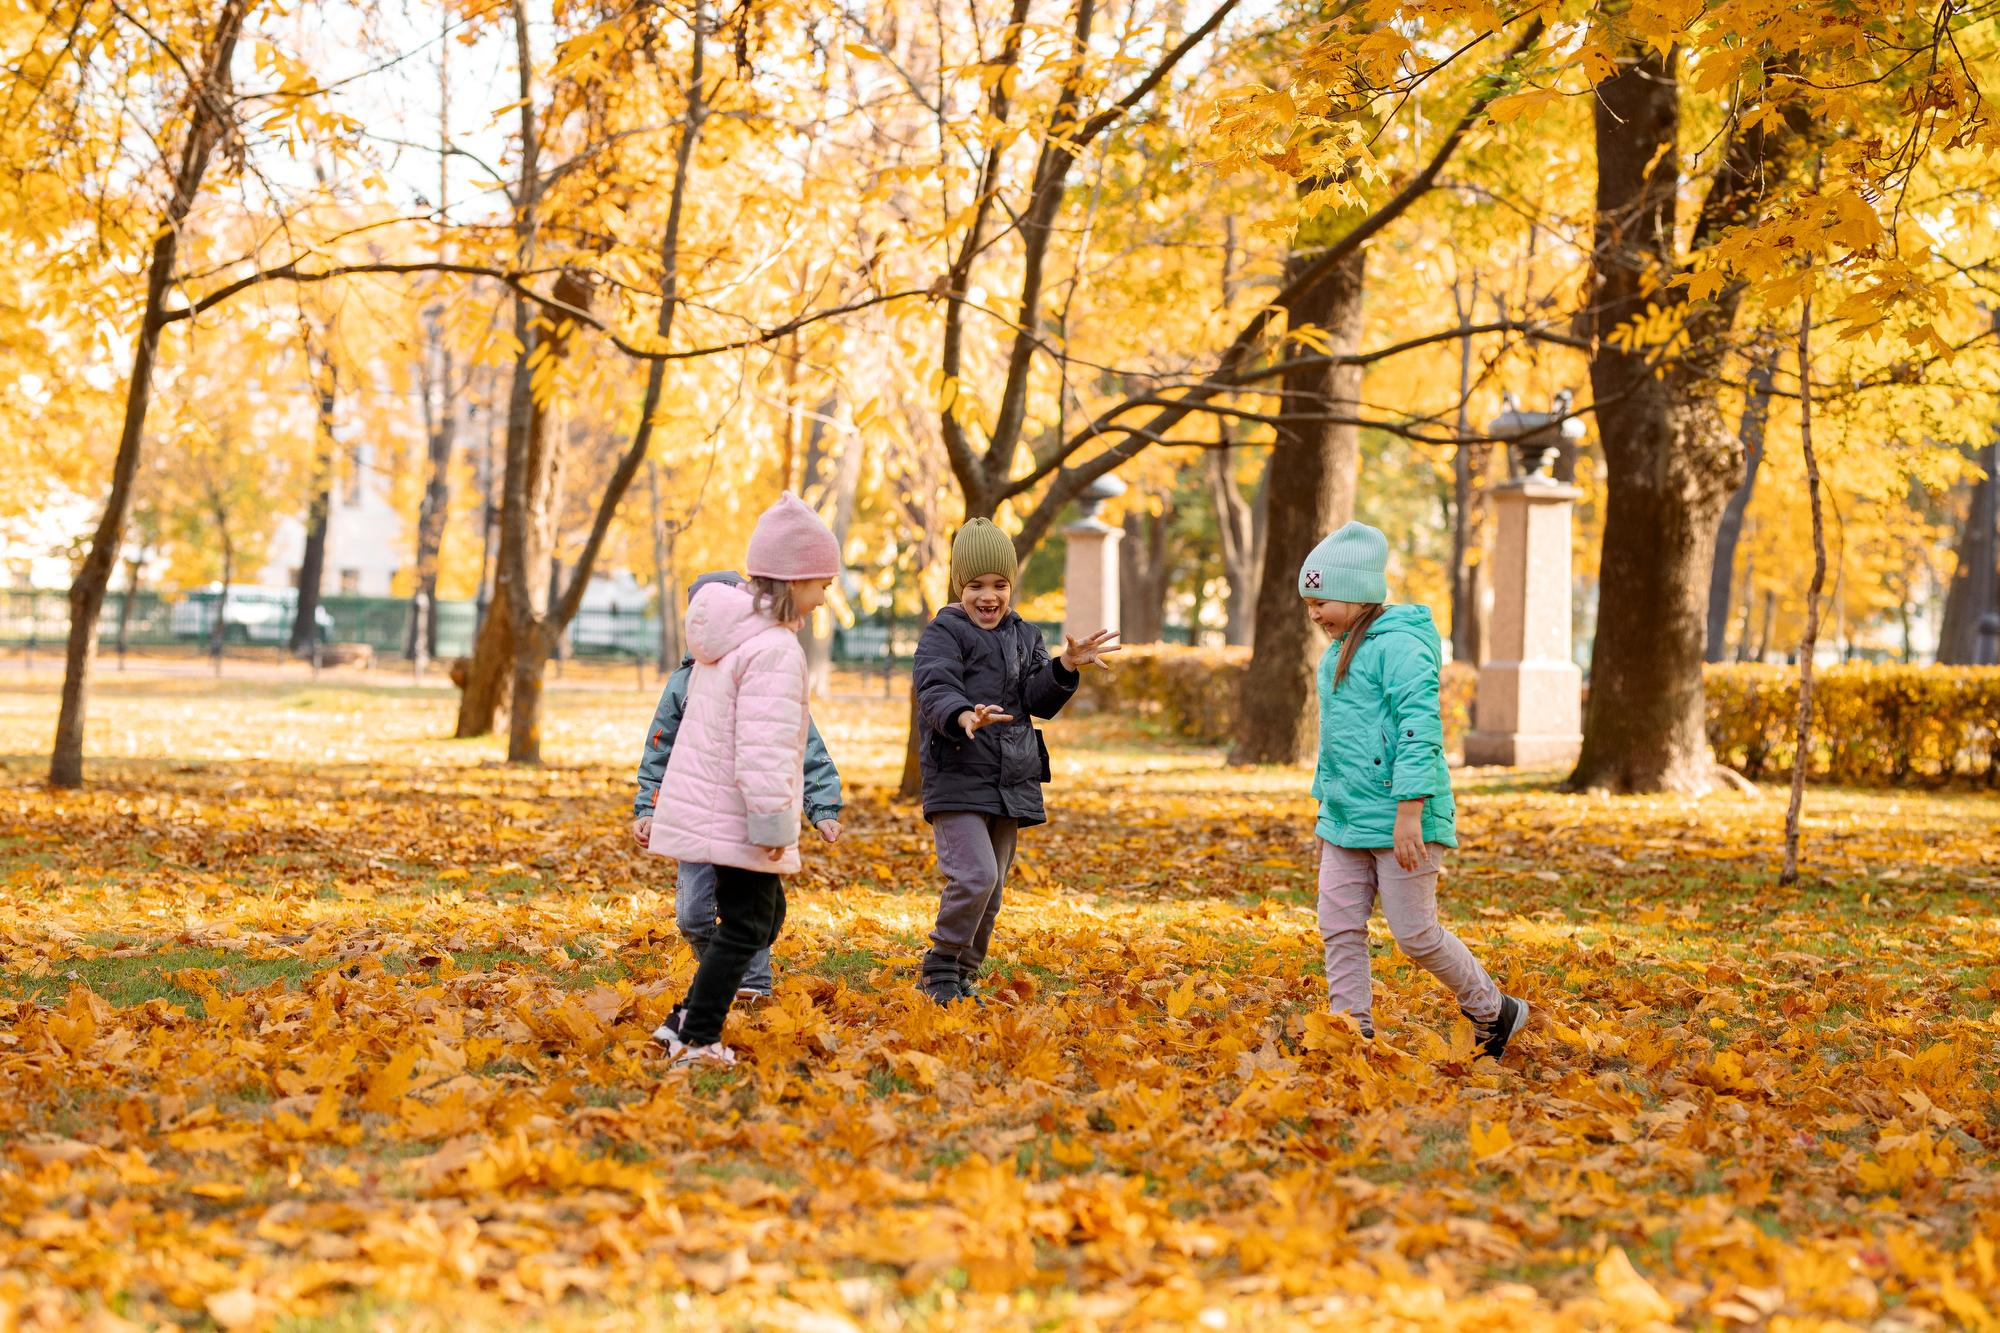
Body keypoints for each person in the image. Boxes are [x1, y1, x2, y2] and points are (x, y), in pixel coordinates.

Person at [1301, 520, 1528, 1058]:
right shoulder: (1335, 652)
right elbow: (1337, 744)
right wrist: (1327, 816)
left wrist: (1410, 813)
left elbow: (1418, 727)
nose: (1314, 613)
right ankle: (1350, 1030)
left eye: (1322, 600)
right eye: (1307, 602)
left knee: (1415, 935)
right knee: (1337, 925)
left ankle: (1495, 1010)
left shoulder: (1402, 646)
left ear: (1357, 594)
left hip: (1406, 817)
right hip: (1347, 818)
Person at [646, 493, 841, 1067]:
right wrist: (772, 825)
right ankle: (698, 1035)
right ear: (796, 578)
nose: (825, 596)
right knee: (748, 923)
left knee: (765, 917)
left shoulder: (729, 639)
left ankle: (683, 1018)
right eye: (821, 584)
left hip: (718, 808)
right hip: (743, 815)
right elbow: (763, 748)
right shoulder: (773, 649)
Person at [911, 518, 1119, 1005]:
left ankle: (962, 973)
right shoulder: (944, 633)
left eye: (999, 585)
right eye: (976, 585)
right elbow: (935, 685)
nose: (989, 596)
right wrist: (963, 715)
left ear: (1011, 586)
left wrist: (1064, 668)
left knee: (994, 888)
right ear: (958, 585)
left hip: (1010, 778)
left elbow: (1036, 699)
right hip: (959, 774)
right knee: (976, 876)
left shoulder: (1027, 634)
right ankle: (938, 968)